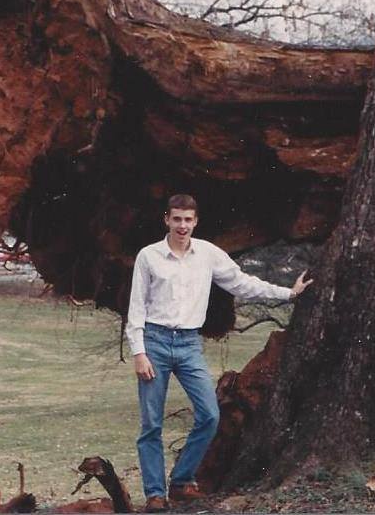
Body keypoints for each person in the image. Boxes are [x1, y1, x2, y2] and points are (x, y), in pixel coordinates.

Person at [125, 194, 312, 512]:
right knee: (151, 424)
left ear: (196, 222)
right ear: (167, 220)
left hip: (188, 344)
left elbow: (241, 283)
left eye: (188, 220)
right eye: (177, 219)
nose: (182, 225)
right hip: (154, 342)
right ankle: (156, 493)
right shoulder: (149, 257)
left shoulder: (208, 254)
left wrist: (288, 293)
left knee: (210, 415)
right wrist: (139, 352)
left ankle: (182, 481)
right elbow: (137, 307)